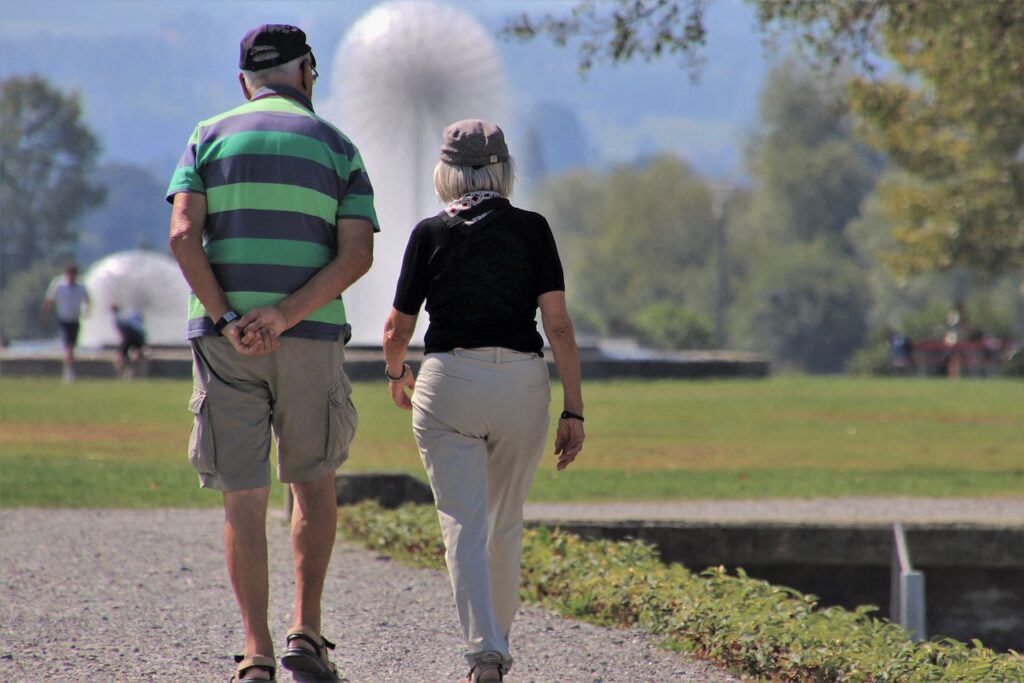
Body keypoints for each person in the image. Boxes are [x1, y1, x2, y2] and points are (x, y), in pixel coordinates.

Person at [166, 24, 377, 683]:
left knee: (243, 497)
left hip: (224, 343)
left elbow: (182, 236)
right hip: (309, 336)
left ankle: (255, 652)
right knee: (311, 483)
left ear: (244, 82)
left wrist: (229, 317)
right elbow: (357, 255)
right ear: (307, 71)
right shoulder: (338, 147)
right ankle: (305, 633)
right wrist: (284, 315)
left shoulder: (206, 136)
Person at [382, 119, 585, 683]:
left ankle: (485, 652)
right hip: (522, 382)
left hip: (449, 381)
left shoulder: (430, 233)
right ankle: (498, 639)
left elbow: (397, 327)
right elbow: (559, 326)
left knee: (462, 522)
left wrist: (396, 373)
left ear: (446, 172)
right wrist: (573, 408)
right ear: (504, 170)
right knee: (505, 521)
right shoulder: (533, 229)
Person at [40, 263, 90, 382]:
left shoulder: (81, 287)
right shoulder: (58, 285)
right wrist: (45, 316)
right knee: (68, 346)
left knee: (72, 346)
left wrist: (86, 311)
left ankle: (68, 369)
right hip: (64, 320)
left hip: (75, 320)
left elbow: (87, 300)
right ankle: (70, 372)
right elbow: (49, 301)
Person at [110, 305, 146, 378]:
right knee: (137, 354)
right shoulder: (134, 317)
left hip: (130, 334)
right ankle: (133, 371)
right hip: (139, 335)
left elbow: (120, 327)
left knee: (120, 355)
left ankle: (122, 372)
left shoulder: (120, 320)